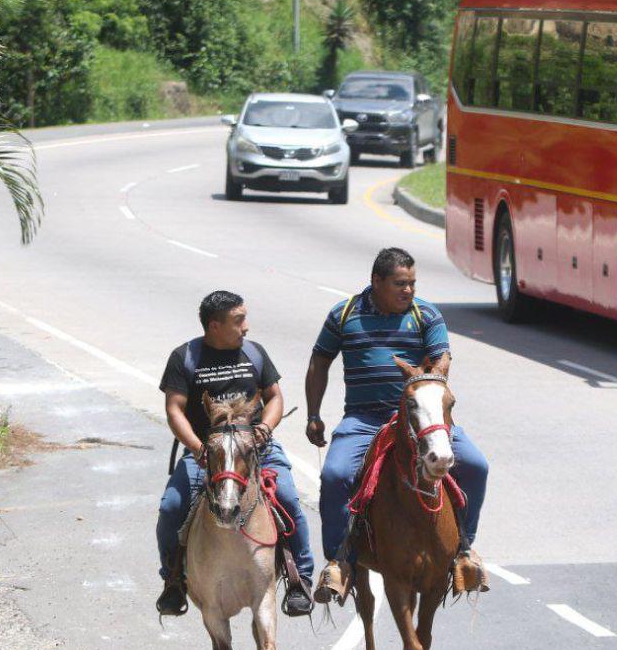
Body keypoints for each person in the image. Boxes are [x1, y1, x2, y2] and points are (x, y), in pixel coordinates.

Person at [306, 248, 489, 601]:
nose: (408, 291)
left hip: (421, 419)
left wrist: (435, 372)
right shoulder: (344, 314)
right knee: (335, 475)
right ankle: (339, 561)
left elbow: (441, 359)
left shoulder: (425, 314)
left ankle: (463, 550)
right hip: (364, 419)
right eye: (400, 284)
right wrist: (314, 414)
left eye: (412, 283)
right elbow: (320, 361)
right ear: (377, 281)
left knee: (476, 465)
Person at [155, 291, 315, 617]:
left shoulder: (254, 353)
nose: (246, 327)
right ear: (215, 326)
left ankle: (300, 578)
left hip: (256, 449)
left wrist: (265, 428)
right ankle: (173, 581)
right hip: (209, 454)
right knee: (172, 507)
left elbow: (275, 397)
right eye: (238, 320)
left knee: (287, 498)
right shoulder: (184, 358)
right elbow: (174, 410)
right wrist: (198, 448)